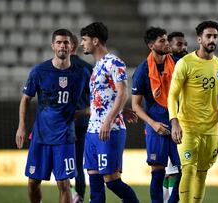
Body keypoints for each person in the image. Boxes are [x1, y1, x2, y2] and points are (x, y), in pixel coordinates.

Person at [168, 20, 218, 203]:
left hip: (210, 128)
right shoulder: (185, 63)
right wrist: (174, 121)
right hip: (187, 126)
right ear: (199, 39)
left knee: (202, 172)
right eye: (208, 36)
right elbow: (172, 95)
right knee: (188, 169)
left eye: (215, 36)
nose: (212, 40)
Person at [15, 28, 89, 203]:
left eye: (66, 42)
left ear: (72, 46)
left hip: (65, 138)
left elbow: (100, 95)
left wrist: (87, 111)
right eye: (59, 42)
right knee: (33, 182)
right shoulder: (40, 71)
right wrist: (21, 126)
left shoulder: (81, 74)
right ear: (52, 46)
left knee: (64, 184)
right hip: (41, 137)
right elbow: (25, 99)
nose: (62, 45)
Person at [80, 22, 139, 203]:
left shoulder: (114, 62)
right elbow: (109, 95)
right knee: (95, 183)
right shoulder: (96, 66)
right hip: (92, 131)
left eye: (84, 39)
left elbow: (123, 92)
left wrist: (108, 120)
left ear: (95, 41)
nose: (82, 43)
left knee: (112, 182)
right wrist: (122, 109)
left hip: (109, 130)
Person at [131, 27, 181, 203]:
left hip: (178, 124)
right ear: (151, 45)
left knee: (184, 171)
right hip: (155, 126)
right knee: (157, 173)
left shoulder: (178, 63)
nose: (167, 43)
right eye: (162, 41)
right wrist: (153, 124)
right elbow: (135, 105)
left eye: (166, 40)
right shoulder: (142, 70)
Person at [70, 34, 93, 203]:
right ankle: (79, 196)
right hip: (82, 123)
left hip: (62, 124)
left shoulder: (55, 68)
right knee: (78, 163)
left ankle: (71, 193)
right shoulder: (87, 68)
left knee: (58, 161)